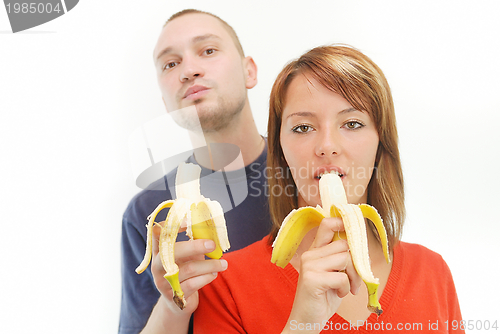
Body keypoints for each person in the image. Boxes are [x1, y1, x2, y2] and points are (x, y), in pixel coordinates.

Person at [193, 45, 464, 333]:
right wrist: (303, 324)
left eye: (352, 123)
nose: (327, 147)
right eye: (303, 128)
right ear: (280, 150)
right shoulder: (224, 285)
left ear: (380, 145)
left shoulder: (433, 273)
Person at [119, 9, 272, 334]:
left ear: (249, 72)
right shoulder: (146, 213)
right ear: (165, 102)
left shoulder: (310, 171)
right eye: (171, 64)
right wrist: (173, 306)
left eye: (208, 50)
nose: (188, 70)